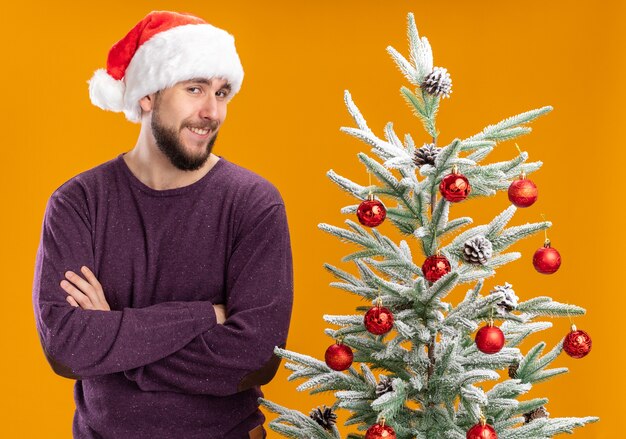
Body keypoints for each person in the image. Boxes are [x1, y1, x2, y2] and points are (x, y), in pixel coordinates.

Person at [31, 11, 293, 439]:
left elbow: (256, 358)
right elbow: (67, 349)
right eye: (195, 89)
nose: (212, 111)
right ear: (148, 94)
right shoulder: (78, 203)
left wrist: (114, 336)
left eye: (222, 92)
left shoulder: (254, 203)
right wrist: (203, 316)